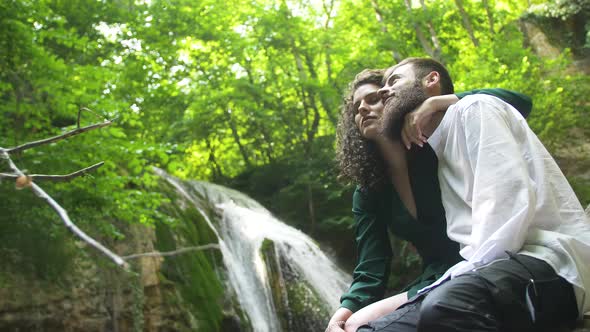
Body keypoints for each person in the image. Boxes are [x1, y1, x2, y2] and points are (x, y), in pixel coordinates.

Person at [355, 57, 590, 332]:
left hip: (547, 263)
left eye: (393, 81)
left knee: (447, 306)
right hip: (478, 275)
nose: (385, 92)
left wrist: (436, 102)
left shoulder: (474, 109)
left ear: (431, 80)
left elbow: (506, 214)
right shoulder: (435, 156)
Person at [326, 69, 533, 332]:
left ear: (392, 99)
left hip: (485, 259)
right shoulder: (369, 191)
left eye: (373, 99)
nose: (363, 108)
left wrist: (434, 102)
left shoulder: (436, 145)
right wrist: (343, 311)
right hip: (435, 277)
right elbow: (372, 265)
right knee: (351, 324)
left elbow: (518, 103)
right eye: (357, 107)